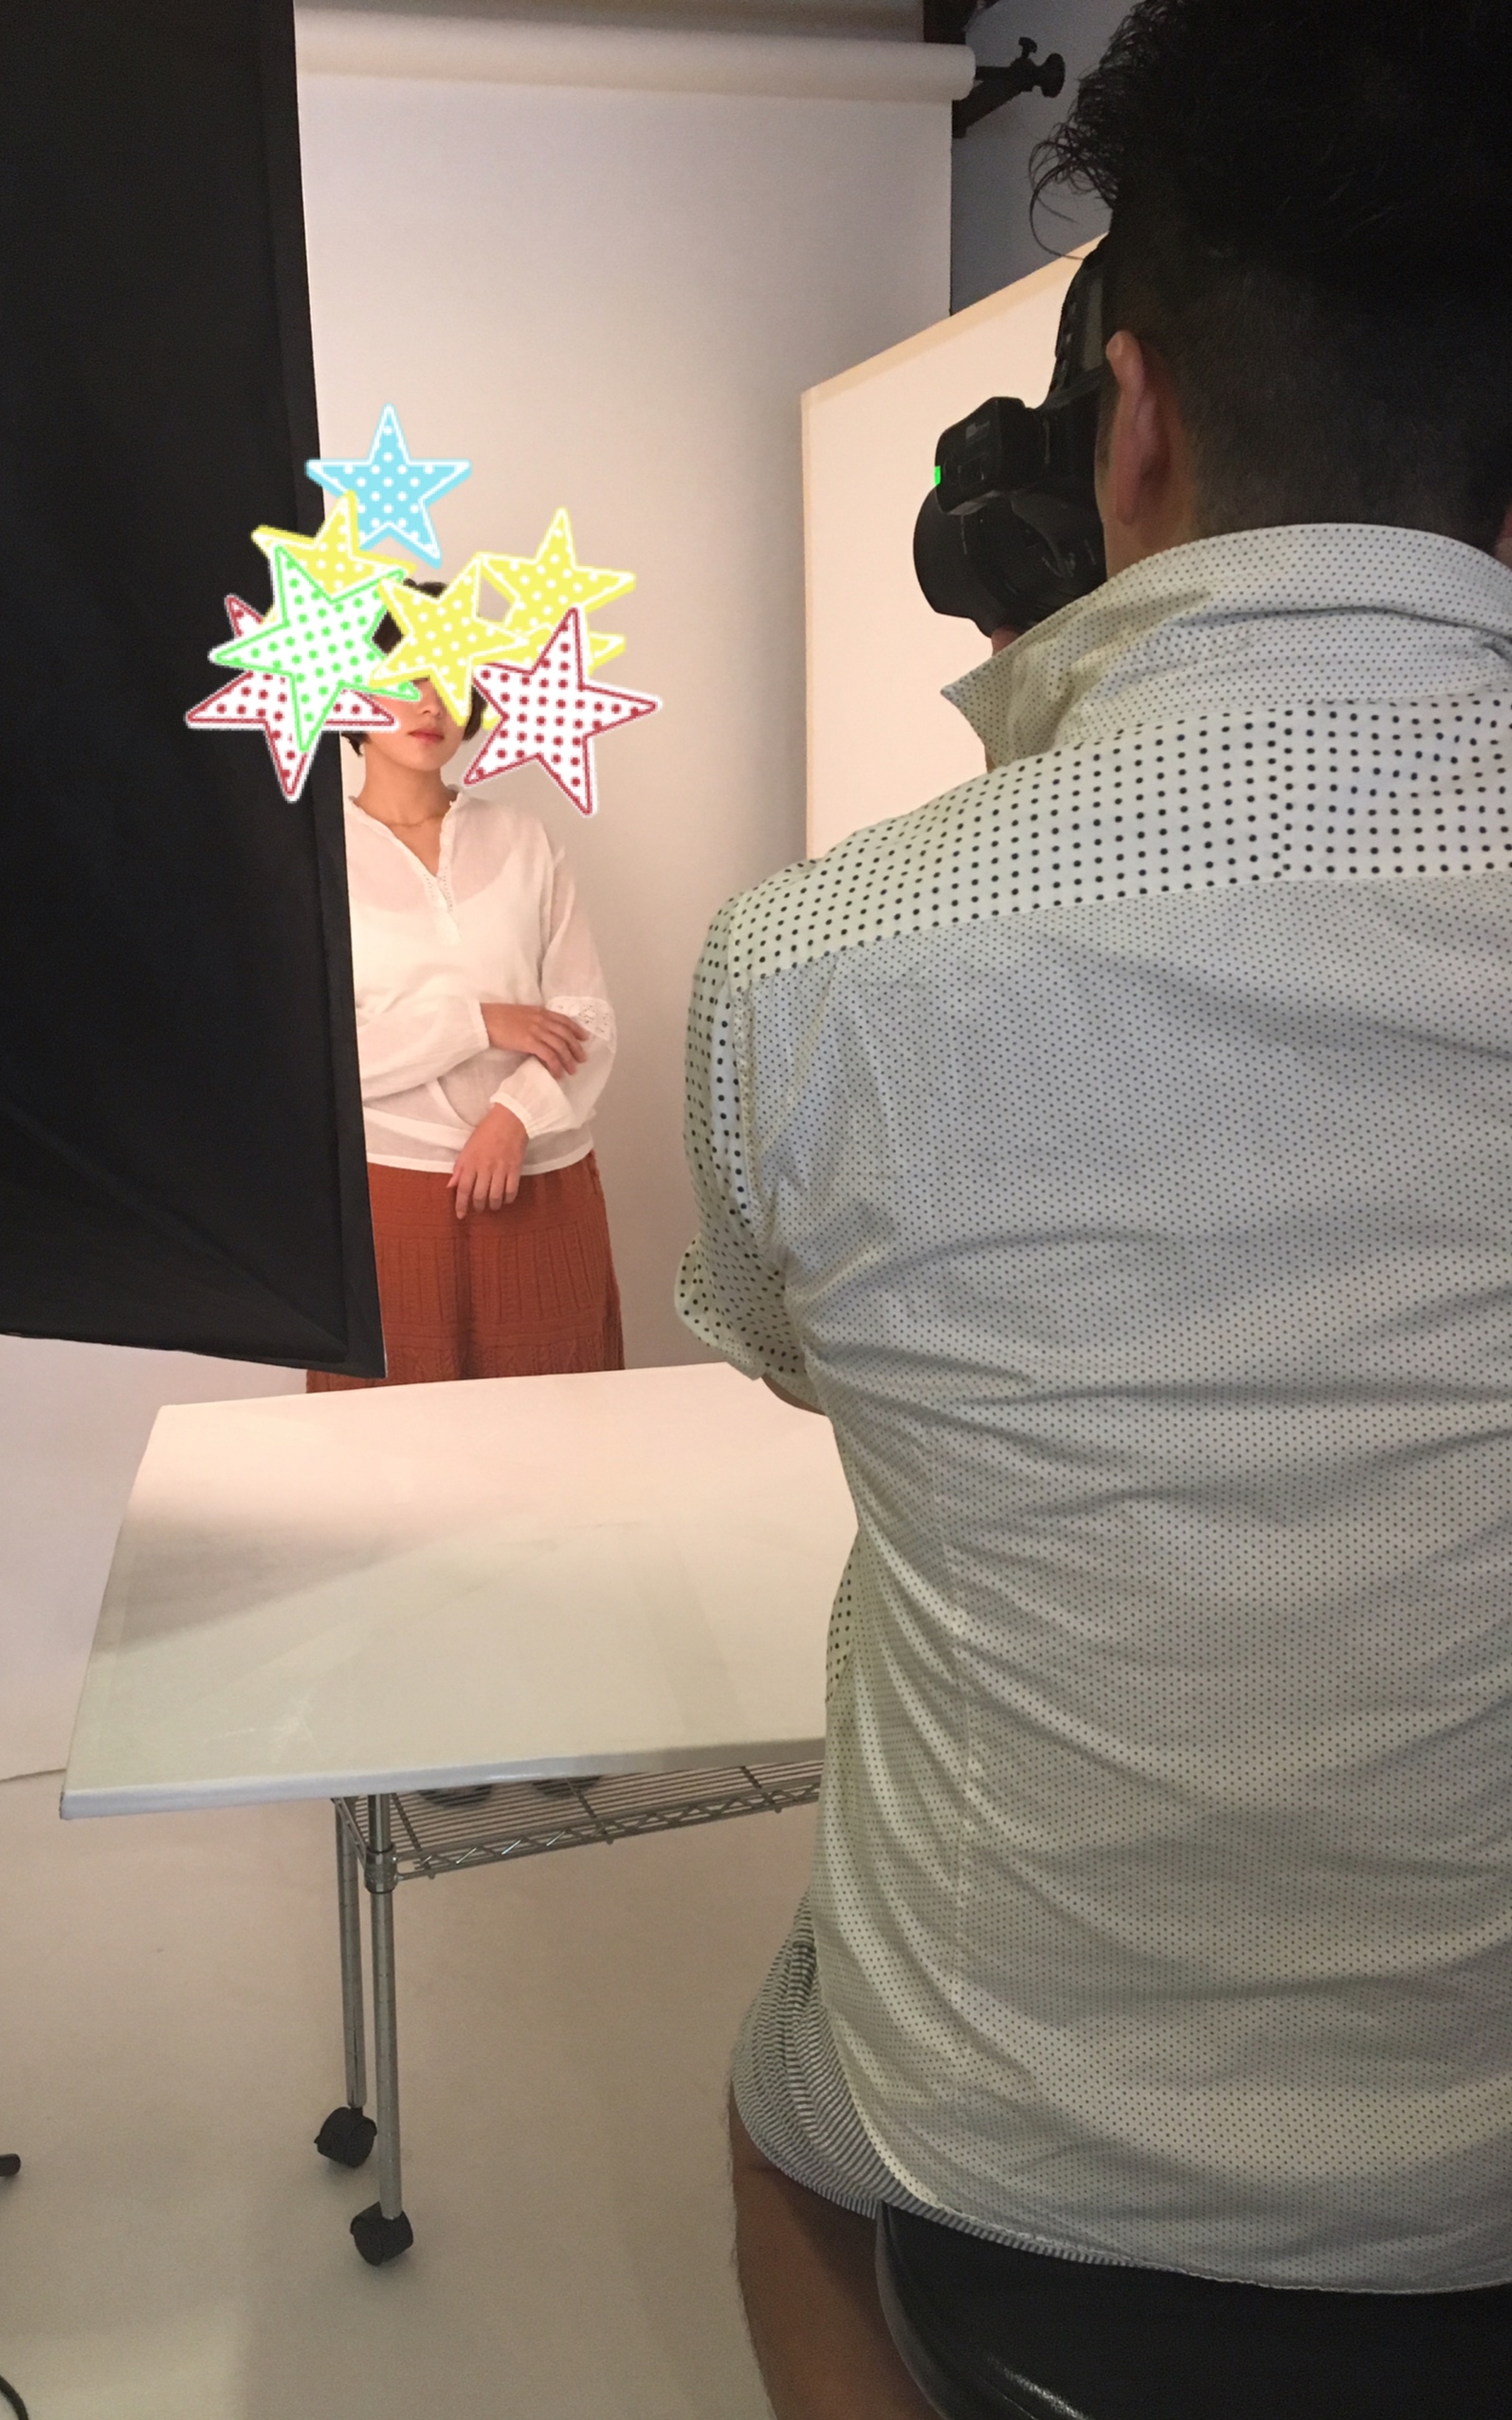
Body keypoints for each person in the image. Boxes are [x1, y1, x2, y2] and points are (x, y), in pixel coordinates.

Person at [677, 6, 1512, 2414]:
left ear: (1126, 416)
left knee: (777, 2139)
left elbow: (802, 1354)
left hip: (1015, 2166)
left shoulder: (813, 959)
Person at [310, 585, 623, 1395]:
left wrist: (514, 1118)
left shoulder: (524, 839)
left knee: (557, 1438)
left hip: (541, 1180)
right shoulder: (312, 860)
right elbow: (312, 1054)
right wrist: (478, 1022)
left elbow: (588, 1018)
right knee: (385, 1449)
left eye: (453, 679)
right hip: (388, 1192)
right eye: (407, 676)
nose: (432, 702)